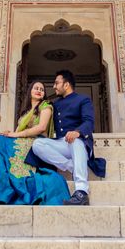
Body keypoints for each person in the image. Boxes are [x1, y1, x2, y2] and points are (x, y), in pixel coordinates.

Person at [26, 70, 106, 206]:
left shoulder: (83, 99)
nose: (54, 87)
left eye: (57, 83)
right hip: (62, 144)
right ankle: (72, 167)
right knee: (37, 144)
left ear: (67, 84)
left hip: (80, 143)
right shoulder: (55, 105)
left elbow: (89, 122)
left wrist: (77, 132)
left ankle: (81, 192)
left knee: (75, 142)